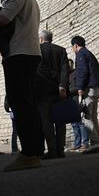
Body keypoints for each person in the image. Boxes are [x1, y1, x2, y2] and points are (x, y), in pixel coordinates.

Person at [0, 0, 43, 172]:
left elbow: (2, 19)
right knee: (29, 103)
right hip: (32, 53)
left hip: (19, 54)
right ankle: (35, 150)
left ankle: (28, 154)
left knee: (20, 103)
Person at [36, 29, 69, 159]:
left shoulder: (38, 50)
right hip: (59, 91)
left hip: (44, 92)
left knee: (47, 122)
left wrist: (54, 78)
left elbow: (40, 70)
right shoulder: (61, 50)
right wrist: (61, 85)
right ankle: (60, 150)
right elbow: (65, 70)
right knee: (60, 121)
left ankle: (52, 150)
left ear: (41, 39)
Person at [71, 35, 99, 154]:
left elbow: (82, 72)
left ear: (75, 45)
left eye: (73, 47)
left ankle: (94, 144)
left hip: (88, 89)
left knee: (87, 117)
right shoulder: (90, 54)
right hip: (96, 88)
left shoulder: (81, 55)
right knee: (93, 117)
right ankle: (97, 143)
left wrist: (80, 88)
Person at [66, 58, 88, 152]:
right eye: (67, 64)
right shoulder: (65, 75)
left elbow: (79, 86)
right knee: (74, 123)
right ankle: (77, 143)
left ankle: (85, 143)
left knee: (80, 122)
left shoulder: (76, 73)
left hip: (76, 98)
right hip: (69, 100)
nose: (69, 66)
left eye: (70, 64)